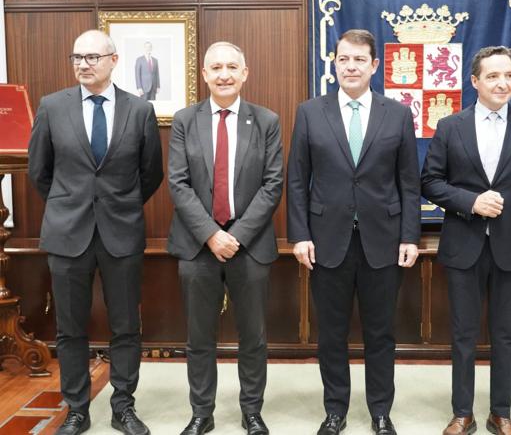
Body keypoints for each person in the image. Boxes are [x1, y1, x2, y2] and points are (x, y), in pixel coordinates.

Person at [28, 29, 163, 435]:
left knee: (126, 326)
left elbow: (151, 173)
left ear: (113, 60)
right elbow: (40, 172)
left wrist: (118, 205)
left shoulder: (139, 110)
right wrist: (71, 204)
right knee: (70, 328)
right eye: (77, 58)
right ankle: (77, 410)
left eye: (91, 57)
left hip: (121, 232)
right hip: (68, 234)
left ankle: (123, 405)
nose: (83, 65)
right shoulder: (52, 107)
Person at [287, 29, 420, 435]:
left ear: (374, 65)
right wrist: (300, 235)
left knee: (382, 333)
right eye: (344, 58)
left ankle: (380, 411)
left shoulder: (396, 113)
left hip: (383, 240)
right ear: (334, 62)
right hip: (327, 241)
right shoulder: (310, 111)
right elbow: (297, 179)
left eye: (360, 59)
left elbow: (409, 182)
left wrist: (410, 236)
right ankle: (335, 411)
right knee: (331, 334)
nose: (351, 66)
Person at [421, 46, 511, 435]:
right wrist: (471, 201)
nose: (502, 82)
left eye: (508, 75)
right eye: (493, 76)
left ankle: (501, 412)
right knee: (462, 334)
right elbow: (429, 182)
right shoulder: (450, 126)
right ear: (475, 81)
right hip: (464, 244)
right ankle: (462, 412)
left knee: (505, 336)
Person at [167, 41, 283, 435]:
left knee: (253, 336)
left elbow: (272, 185)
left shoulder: (266, 120)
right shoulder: (185, 120)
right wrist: (212, 235)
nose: (224, 74)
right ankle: (202, 412)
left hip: (249, 245)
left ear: (245, 73)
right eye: (215, 67)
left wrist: (236, 235)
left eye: (232, 66)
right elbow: (178, 183)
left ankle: (252, 411)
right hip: (197, 244)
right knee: (199, 337)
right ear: (204, 74)